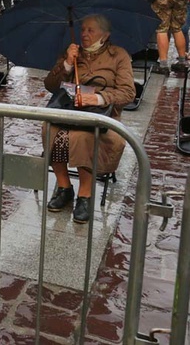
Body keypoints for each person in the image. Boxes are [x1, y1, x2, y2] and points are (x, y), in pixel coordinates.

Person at [44, 14, 135, 223]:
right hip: (70, 111)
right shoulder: (73, 52)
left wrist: (98, 97)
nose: (84, 34)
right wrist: (67, 63)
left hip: (103, 118)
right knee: (49, 127)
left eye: (90, 30)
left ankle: (85, 194)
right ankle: (64, 186)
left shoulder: (119, 55)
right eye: (83, 29)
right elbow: (50, 85)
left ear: (105, 34)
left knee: (81, 135)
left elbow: (128, 93)